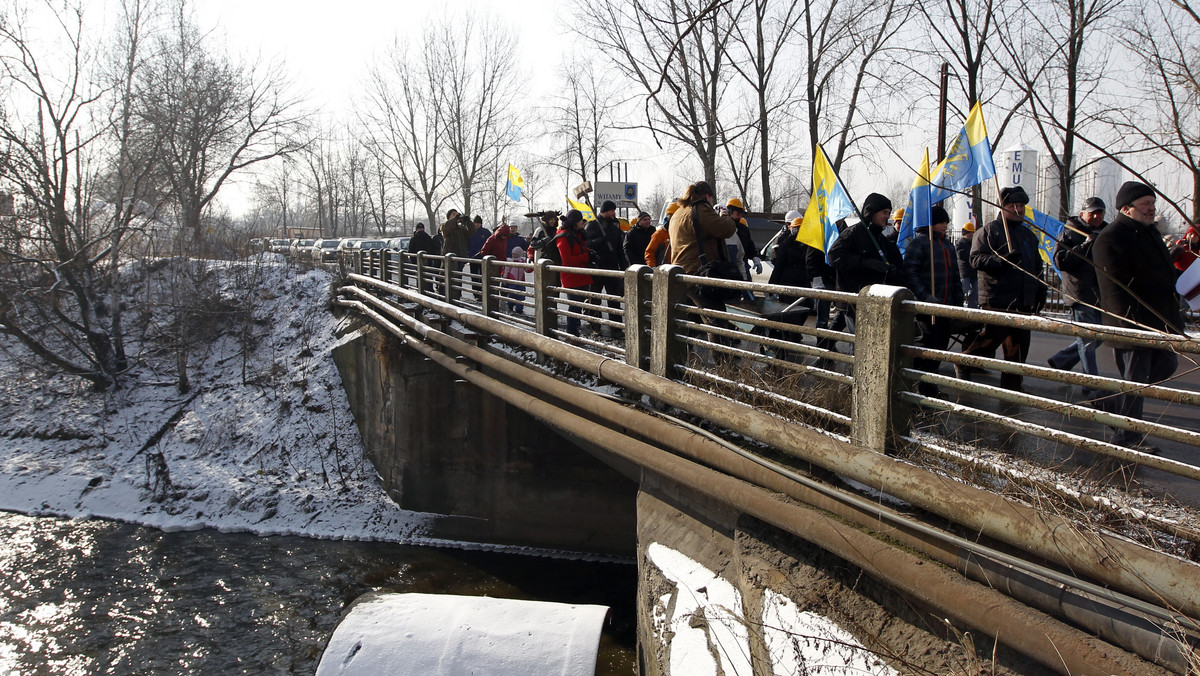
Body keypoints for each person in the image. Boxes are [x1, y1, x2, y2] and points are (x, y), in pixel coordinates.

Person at [1093, 181, 1185, 451]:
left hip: (1160, 320)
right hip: (1133, 323)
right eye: (1146, 205)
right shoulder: (1111, 237)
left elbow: (1162, 271)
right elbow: (1113, 289)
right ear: (1127, 208)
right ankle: (1128, 436)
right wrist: (1128, 324)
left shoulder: (1149, 232)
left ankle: (1110, 402)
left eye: (1152, 205)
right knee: (1136, 382)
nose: (1151, 210)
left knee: (1166, 366)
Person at [959, 186, 1046, 392]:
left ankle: (1012, 388)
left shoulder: (1028, 236)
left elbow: (1037, 267)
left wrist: (1039, 290)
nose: (1018, 209)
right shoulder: (989, 231)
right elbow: (975, 259)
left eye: (1021, 206)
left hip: (1023, 299)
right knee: (991, 339)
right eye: (1013, 205)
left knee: (1017, 347)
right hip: (997, 297)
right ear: (1002, 207)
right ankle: (964, 362)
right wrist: (1001, 261)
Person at [828, 193, 917, 334]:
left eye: (889, 213)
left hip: (874, 300)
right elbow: (834, 256)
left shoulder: (882, 240)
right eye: (884, 212)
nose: (888, 216)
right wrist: (864, 262)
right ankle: (826, 351)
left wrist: (893, 271)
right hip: (853, 299)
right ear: (872, 212)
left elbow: (897, 266)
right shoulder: (852, 233)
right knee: (859, 341)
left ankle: (825, 350)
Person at [1047, 197, 1107, 390]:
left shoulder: (1105, 232)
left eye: (1100, 212)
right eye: (1093, 212)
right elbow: (1060, 261)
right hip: (1079, 293)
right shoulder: (1070, 232)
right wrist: (1084, 246)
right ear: (1083, 214)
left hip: (1099, 294)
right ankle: (1091, 383)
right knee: (1088, 340)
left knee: (1099, 336)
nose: (1097, 216)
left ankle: (1062, 360)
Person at [668, 180, 739, 344]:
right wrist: (726, 217)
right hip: (699, 275)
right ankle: (723, 365)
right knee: (716, 323)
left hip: (680, 274)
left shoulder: (679, 212)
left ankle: (683, 363)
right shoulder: (700, 209)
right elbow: (726, 229)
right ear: (707, 196)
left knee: (688, 324)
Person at [902, 205, 963, 395]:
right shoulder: (919, 244)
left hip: (945, 306)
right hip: (926, 309)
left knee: (940, 347)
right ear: (930, 223)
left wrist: (958, 299)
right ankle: (915, 384)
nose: (944, 225)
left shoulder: (948, 246)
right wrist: (925, 297)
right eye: (940, 222)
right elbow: (910, 274)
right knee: (927, 345)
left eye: (946, 222)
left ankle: (930, 386)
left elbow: (954, 276)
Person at [585, 200, 628, 338]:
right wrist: (600, 240)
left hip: (612, 268)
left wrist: (624, 268)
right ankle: (595, 326)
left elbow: (620, 251)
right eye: (611, 210)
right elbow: (586, 245)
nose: (613, 213)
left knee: (613, 299)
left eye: (614, 211)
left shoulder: (614, 228)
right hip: (596, 268)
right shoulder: (592, 226)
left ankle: (616, 328)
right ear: (604, 211)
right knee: (595, 298)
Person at [555, 210, 594, 337]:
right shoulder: (563, 237)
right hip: (571, 277)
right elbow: (567, 260)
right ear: (574, 222)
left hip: (581, 275)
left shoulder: (576, 235)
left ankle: (575, 332)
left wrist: (589, 253)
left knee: (578, 305)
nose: (582, 222)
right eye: (580, 220)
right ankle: (572, 333)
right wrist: (586, 256)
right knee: (574, 306)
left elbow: (581, 250)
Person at [767, 216, 810, 306]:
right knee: (802, 310)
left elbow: (779, 266)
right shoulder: (809, 244)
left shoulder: (786, 243)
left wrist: (771, 286)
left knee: (790, 311)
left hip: (789, 283)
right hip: (802, 283)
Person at [956, 220, 979, 308]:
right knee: (963, 290)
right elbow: (962, 255)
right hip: (965, 272)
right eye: (969, 233)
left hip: (973, 271)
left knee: (975, 291)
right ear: (964, 233)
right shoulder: (960, 243)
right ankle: (958, 306)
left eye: (972, 232)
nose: (971, 234)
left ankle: (972, 308)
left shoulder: (973, 243)